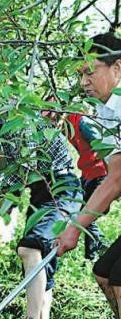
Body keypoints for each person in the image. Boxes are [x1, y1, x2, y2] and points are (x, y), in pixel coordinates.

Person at [0, 115, 83, 319]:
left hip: (60, 191)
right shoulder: (17, 122)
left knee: (30, 248)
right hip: (41, 191)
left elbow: (24, 168)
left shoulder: (20, 125)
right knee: (43, 257)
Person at [57, 32, 121, 319]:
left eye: (89, 72)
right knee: (104, 274)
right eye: (80, 74)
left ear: (117, 69)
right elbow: (114, 175)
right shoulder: (106, 113)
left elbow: (117, 177)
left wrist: (75, 227)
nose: (83, 82)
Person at [62, 111, 108, 260]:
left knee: (88, 215)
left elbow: (102, 146)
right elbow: (80, 149)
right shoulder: (65, 127)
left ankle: (98, 248)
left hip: (99, 171)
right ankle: (93, 254)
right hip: (88, 173)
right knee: (84, 214)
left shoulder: (81, 121)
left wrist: (111, 175)